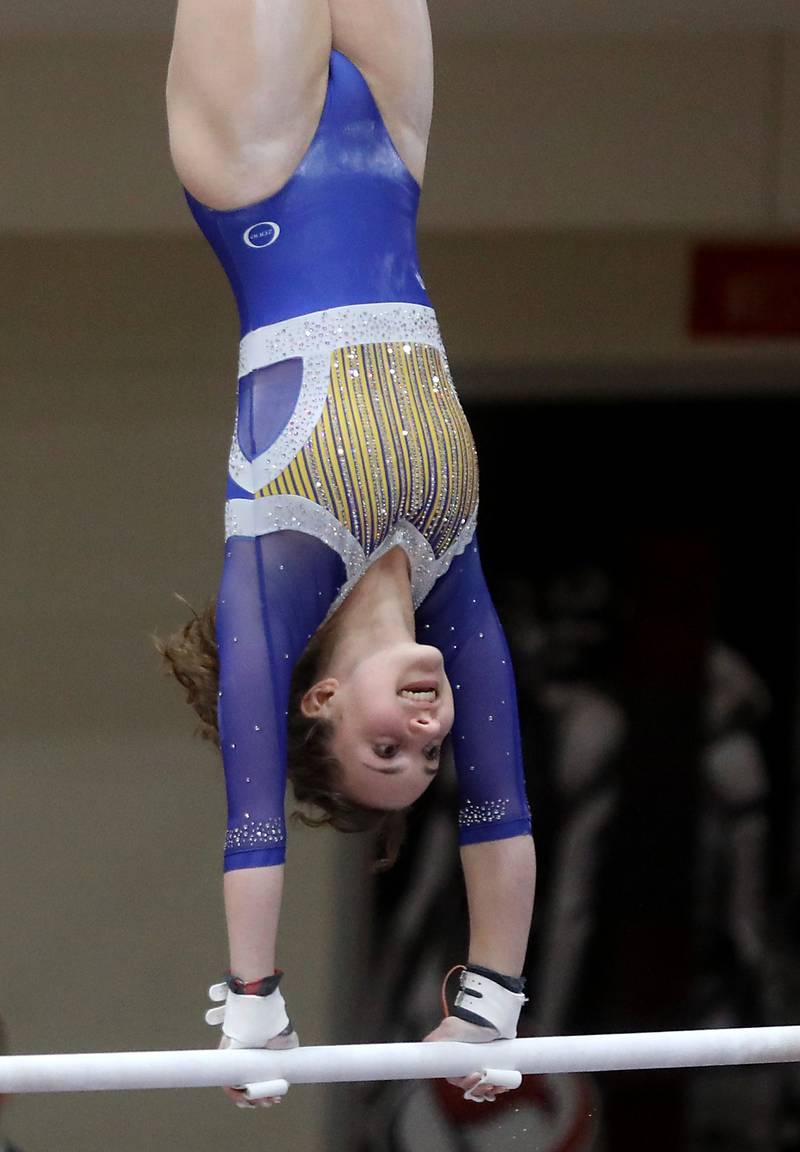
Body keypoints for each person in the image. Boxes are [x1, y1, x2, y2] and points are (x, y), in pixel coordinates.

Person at [162, 0, 536, 1107]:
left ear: (316, 699)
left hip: (256, 173)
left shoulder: (273, 579)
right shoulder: (449, 570)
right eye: (428, 759)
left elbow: (251, 819)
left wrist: (257, 999)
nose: (425, 741)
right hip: (392, 163)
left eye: (389, 754)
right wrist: (490, 1005)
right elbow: (502, 804)